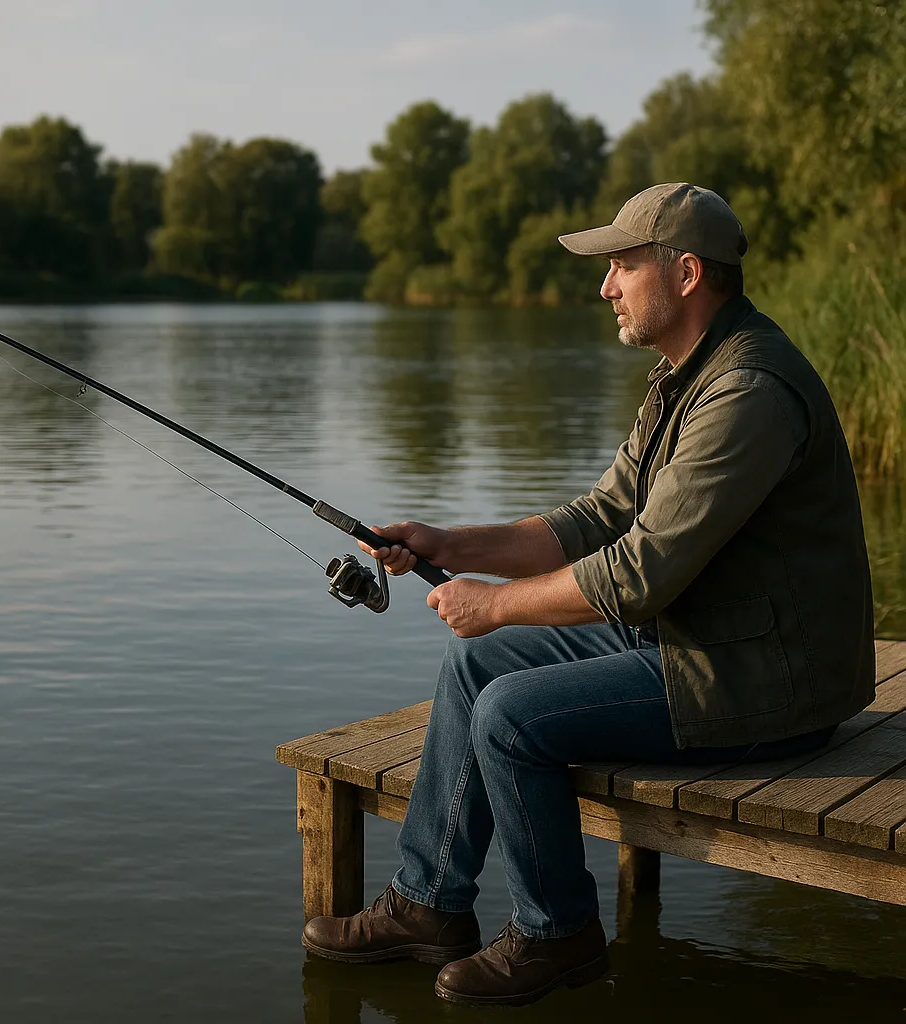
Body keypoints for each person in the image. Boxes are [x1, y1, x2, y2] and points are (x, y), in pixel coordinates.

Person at [300, 183, 875, 1007]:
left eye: (622, 266)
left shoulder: (748, 393)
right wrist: (447, 544)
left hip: (765, 680)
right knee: (477, 669)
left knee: (511, 715)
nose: (606, 286)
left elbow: (639, 574)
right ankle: (428, 905)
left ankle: (556, 934)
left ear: (685, 274)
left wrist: (492, 604)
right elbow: (599, 518)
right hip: (702, 638)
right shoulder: (686, 377)